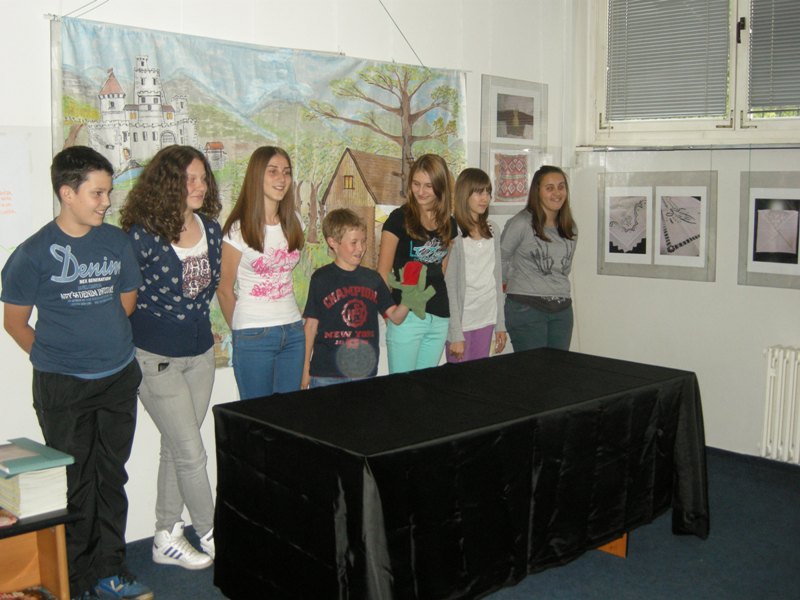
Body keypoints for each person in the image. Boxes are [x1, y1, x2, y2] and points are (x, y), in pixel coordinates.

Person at [1, 146, 153, 600]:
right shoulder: (32, 254)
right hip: (62, 387)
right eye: (97, 193)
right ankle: (76, 579)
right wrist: (58, 358)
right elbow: (15, 323)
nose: (106, 202)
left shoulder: (116, 243)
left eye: (107, 192)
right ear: (67, 193)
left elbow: (126, 303)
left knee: (111, 476)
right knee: (74, 483)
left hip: (117, 378)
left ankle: (110, 571)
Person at [120, 145, 222, 571]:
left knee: (176, 448)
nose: (199, 186)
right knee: (192, 453)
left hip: (200, 355)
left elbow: (208, 291)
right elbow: (124, 298)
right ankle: (213, 533)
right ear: (167, 184)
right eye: (188, 179)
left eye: (202, 178)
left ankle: (165, 535)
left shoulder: (211, 229)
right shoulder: (141, 235)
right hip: (155, 358)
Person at [217, 146, 305, 400]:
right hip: (254, 333)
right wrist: (242, 334)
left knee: (288, 415)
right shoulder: (238, 230)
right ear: (257, 175)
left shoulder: (294, 221)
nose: (282, 179)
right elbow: (224, 290)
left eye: (286, 172)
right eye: (273, 171)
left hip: (293, 331)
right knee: (257, 416)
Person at [302, 208, 418, 388]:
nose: (360, 248)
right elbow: (310, 326)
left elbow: (395, 317)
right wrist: (304, 369)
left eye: (363, 241)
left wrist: (409, 298)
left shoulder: (373, 279)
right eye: (353, 242)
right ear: (333, 242)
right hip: (326, 373)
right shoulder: (321, 279)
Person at [377, 154, 457, 373]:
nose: (420, 191)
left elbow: (440, 271)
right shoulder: (398, 219)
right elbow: (382, 273)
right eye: (416, 184)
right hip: (406, 317)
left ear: (441, 187)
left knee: (425, 388)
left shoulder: (450, 223)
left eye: (428, 186)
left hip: (439, 317)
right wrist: (390, 313)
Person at [500, 165, 577, 351]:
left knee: (558, 368)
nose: (557, 193)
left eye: (561, 187)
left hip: (562, 310)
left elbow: (564, 269)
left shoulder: (570, 227)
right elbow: (500, 258)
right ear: (537, 192)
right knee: (534, 368)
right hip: (527, 308)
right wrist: (510, 281)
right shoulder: (521, 223)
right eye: (549, 188)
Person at [444, 168, 507, 362]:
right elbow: (450, 285)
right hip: (462, 320)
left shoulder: (493, 230)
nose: (485, 198)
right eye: (479, 192)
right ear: (464, 194)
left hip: (486, 317)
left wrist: (500, 324)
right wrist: (455, 333)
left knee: (479, 376)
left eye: (488, 192)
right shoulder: (452, 231)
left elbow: (497, 278)